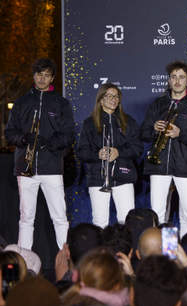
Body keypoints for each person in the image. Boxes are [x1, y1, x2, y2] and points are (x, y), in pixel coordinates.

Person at [5, 58, 74, 250]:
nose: (42, 79)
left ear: (52, 78)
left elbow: (68, 135)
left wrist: (49, 143)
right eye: (39, 74)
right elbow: (9, 133)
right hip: (25, 168)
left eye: (46, 75)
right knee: (26, 217)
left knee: (59, 217)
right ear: (33, 76)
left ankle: (65, 259)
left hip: (51, 167)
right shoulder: (22, 102)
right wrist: (23, 138)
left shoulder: (61, 103)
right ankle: (24, 260)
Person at [140, 61, 187, 237]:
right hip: (159, 166)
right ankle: (165, 250)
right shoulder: (157, 104)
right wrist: (153, 129)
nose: (177, 81)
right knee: (158, 214)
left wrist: (180, 134)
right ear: (169, 80)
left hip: (185, 167)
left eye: (181, 77)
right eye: (174, 77)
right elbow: (143, 133)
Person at [76, 83, 141, 228]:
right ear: (101, 100)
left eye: (116, 96)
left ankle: (124, 244)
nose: (113, 99)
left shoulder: (129, 122)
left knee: (126, 220)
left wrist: (119, 152)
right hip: (98, 178)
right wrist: (97, 154)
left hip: (123, 177)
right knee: (100, 222)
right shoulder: (89, 123)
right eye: (109, 96)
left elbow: (137, 148)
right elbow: (81, 152)